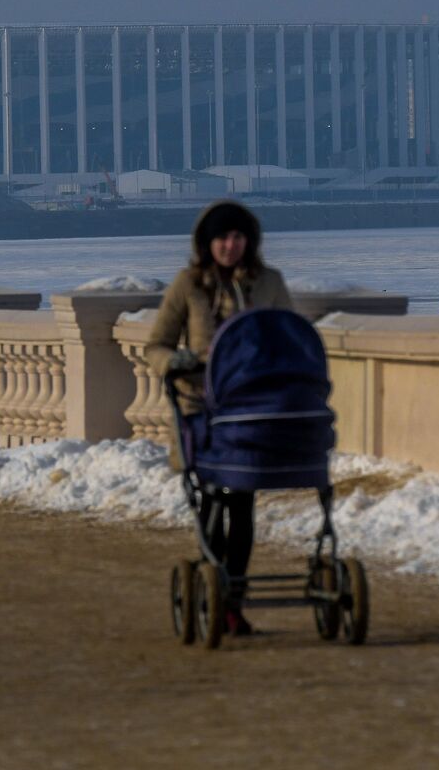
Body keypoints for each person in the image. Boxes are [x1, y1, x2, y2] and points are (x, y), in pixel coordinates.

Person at [144, 199, 294, 636]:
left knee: (243, 506)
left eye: (237, 238)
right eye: (222, 238)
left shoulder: (269, 283)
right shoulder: (188, 286)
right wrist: (181, 360)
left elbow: (287, 333)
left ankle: (233, 600)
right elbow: (156, 346)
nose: (230, 246)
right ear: (206, 243)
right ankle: (217, 583)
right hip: (201, 410)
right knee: (212, 501)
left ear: (249, 242)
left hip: (250, 410)